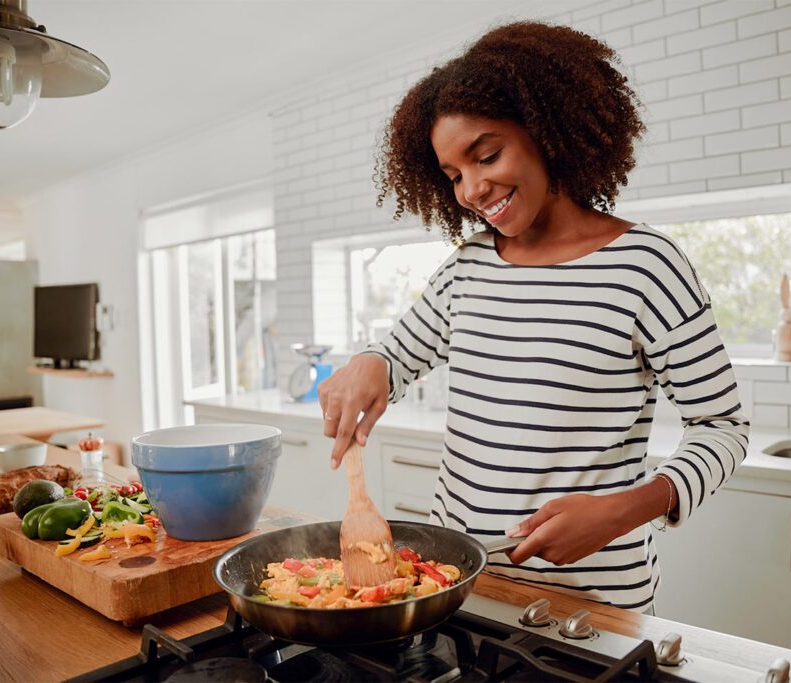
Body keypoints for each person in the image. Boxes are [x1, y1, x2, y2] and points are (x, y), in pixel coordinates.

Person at [318, 21, 749, 612]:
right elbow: (397, 355)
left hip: (592, 601)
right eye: (453, 176)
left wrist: (625, 509)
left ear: (547, 130)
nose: (471, 188)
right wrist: (372, 362)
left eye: (487, 154)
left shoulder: (647, 266)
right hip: (460, 586)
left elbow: (722, 426)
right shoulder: (469, 266)